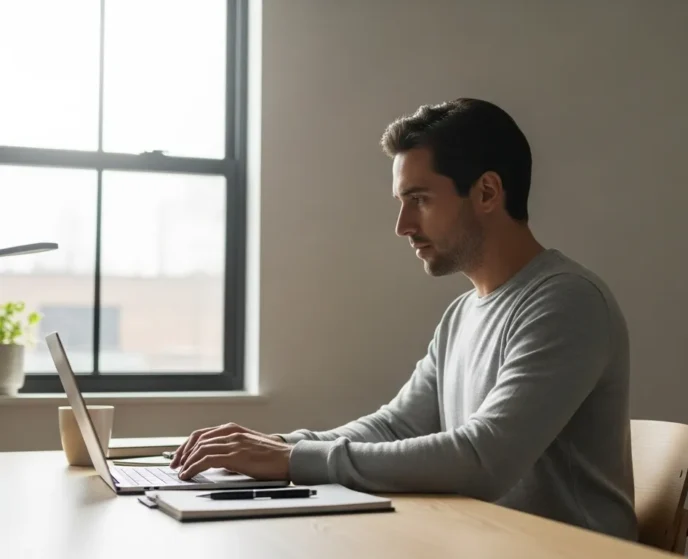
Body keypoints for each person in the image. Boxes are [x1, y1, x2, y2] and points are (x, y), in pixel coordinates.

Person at [170, 98, 637, 540]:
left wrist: (293, 459)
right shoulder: (462, 314)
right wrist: (270, 447)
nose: (403, 225)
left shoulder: (567, 302)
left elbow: (483, 460)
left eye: (420, 199)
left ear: (487, 192)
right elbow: (395, 427)